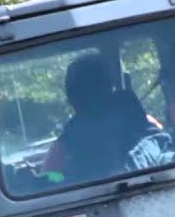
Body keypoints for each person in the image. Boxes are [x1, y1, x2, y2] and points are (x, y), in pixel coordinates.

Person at [40, 52, 153, 184]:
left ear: (72, 96)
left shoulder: (74, 131)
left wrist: (63, 179)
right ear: (110, 84)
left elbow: (49, 176)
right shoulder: (134, 112)